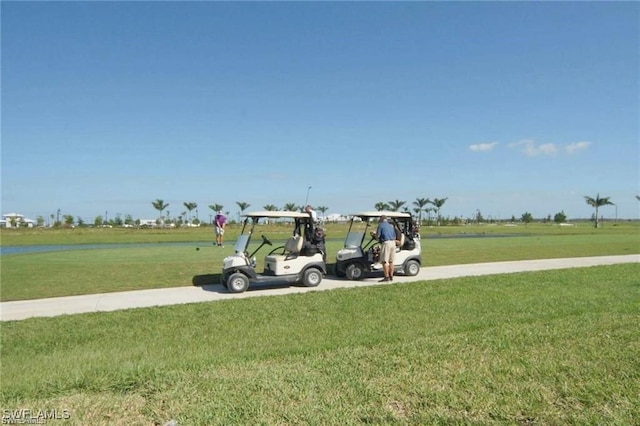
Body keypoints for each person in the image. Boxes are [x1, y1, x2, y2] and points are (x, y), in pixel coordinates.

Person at [370, 215, 396, 282]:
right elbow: (394, 236)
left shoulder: (380, 225)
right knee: (391, 261)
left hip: (386, 243)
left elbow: (378, 236)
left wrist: (374, 234)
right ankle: (391, 276)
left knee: (384, 261)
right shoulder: (390, 226)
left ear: (381, 219)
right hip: (393, 243)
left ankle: (386, 277)